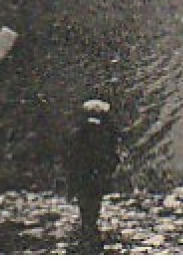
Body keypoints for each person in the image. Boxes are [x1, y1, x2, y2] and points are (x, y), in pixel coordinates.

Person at [65, 99, 120, 253]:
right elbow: (111, 154)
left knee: (84, 199)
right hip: (97, 173)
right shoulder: (106, 132)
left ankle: (87, 227)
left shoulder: (78, 131)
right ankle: (91, 227)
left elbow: (70, 155)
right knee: (95, 199)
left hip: (82, 173)